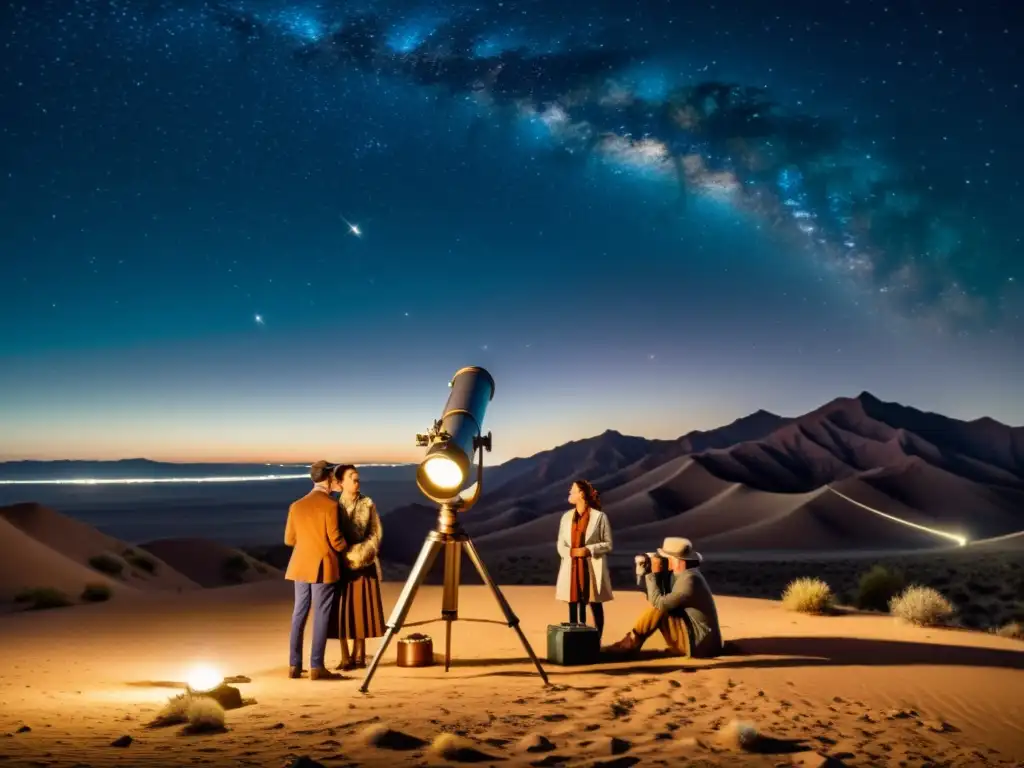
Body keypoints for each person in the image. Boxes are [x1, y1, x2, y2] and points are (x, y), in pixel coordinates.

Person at [602, 536, 723, 659]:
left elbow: (659, 604)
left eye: (666, 557)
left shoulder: (690, 580)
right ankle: (631, 642)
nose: (663, 560)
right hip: (698, 640)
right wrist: (646, 573)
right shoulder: (682, 575)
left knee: (659, 607)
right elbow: (653, 597)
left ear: (676, 560)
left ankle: (630, 643)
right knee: (659, 605)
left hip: (700, 645)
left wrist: (652, 574)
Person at [284, 460, 347, 680]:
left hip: (300, 565)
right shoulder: (330, 505)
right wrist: (349, 546)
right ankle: (316, 666)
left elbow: (289, 539)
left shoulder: (296, 505)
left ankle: (294, 665)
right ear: (329, 478)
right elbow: (336, 540)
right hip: (323, 566)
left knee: (299, 613)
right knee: (321, 614)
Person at [330, 464, 386, 670]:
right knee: (343, 611)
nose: (357, 481)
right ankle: (345, 657)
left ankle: (360, 656)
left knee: (362, 610)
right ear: (340, 482)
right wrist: (343, 555)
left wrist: (361, 554)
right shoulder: (334, 506)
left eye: (358, 478)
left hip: (364, 564)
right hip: (341, 566)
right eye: (352, 478)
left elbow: (375, 533)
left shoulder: (368, 503)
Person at [555, 479, 614, 642]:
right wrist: (571, 552)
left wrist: (588, 550)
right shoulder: (566, 517)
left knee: (595, 604)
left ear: (581, 494)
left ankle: (596, 641)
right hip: (572, 565)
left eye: (572, 490)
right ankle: (575, 641)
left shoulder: (599, 517)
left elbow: (608, 544)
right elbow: (560, 543)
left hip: (590, 566)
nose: (569, 493)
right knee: (572, 602)